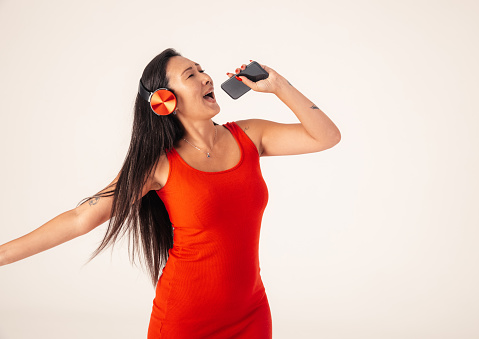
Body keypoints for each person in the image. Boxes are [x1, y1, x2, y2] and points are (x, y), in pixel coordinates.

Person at [0, 48, 341, 338]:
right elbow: (81, 217)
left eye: (202, 70)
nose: (207, 78)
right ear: (165, 101)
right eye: (191, 75)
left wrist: (279, 86)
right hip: (185, 320)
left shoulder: (251, 135)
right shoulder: (159, 165)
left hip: (251, 312)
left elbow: (325, 137)